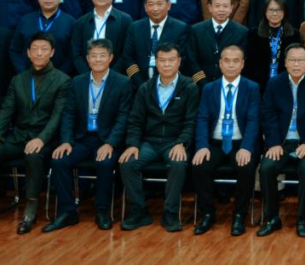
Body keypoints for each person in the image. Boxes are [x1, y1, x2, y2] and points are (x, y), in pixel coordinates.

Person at [0, 32, 70, 235]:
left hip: (45, 139)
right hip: (18, 136)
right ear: (28, 53)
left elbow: (57, 116)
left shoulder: (63, 80)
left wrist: (41, 139)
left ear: (52, 52)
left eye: (44, 49)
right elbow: (6, 111)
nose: (39, 53)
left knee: (33, 156)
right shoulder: (18, 80)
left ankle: (29, 214)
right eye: (35, 49)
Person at [43, 38, 132, 232]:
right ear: (87, 58)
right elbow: (69, 114)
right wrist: (66, 141)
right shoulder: (77, 82)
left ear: (111, 58)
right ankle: (68, 212)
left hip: (107, 139)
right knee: (59, 160)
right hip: (82, 139)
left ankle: (102, 211)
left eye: (102, 55)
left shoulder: (123, 83)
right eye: (94, 56)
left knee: (105, 163)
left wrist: (110, 143)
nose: (98, 59)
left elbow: (123, 118)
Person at [119, 42, 200, 232]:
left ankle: (170, 213)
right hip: (149, 142)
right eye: (162, 60)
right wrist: (132, 144)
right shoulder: (145, 88)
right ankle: (139, 211)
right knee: (127, 163)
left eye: (171, 60)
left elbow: (191, 121)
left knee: (178, 163)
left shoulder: (189, 87)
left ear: (179, 61)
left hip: (174, 141)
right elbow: (135, 120)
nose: (167, 64)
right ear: (156, 63)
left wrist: (182, 142)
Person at [258, 43, 305, 237]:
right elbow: (268, 115)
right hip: (281, 143)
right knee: (266, 167)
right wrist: (273, 143)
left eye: (300, 60)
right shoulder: (275, 83)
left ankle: (302, 218)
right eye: (292, 60)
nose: (296, 64)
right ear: (285, 63)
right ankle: (272, 218)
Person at [191, 45, 260, 236]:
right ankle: (207, 213)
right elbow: (202, 118)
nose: (231, 65)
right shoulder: (209, 88)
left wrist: (247, 147)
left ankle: (239, 215)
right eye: (227, 61)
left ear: (242, 64)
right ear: (220, 64)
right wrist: (202, 146)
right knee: (199, 165)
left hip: (240, 143)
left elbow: (254, 120)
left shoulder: (252, 88)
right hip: (215, 143)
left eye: (236, 61)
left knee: (246, 167)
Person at [117, 0, 191, 90]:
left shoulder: (181, 28)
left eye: (159, 4)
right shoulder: (135, 27)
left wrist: (164, 82)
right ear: (145, 7)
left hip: (169, 85)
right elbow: (127, 57)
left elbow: (182, 59)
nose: (155, 8)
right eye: (151, 4)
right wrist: (141, 85)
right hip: (137, 85)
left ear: (168, 5)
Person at [10, 0, 76, 74]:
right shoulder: (26, 20)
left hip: (59, 78)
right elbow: (15, 50)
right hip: (28, 76)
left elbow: (73, 54)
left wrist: (60, 76)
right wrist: (23, 73)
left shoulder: (70, 22)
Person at [186, 0, 248, 87]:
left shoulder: (241, 32)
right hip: (201, 85)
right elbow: (192, 60)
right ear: (210, 7)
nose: (221, 10)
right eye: (217, 6)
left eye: (225, 6)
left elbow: (243, 60)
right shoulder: (196, 30)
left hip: (229, 85)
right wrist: (203, 83)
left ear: (231, 8)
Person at [71, 0, 133, 70]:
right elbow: (76, 53)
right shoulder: (81, 22)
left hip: (116, 74)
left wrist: (111, 75)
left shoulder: (125, 20)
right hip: (87, 74)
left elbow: (126, 53)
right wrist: (87, 74)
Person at [243, 0, 301, 91]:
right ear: (265, 12)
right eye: (271, 10)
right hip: (259, 85)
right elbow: (249, 65)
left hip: (286, 85)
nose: (275, 13)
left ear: (284, 12)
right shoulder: (253, 34)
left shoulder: (294, 35)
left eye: (279, 10)